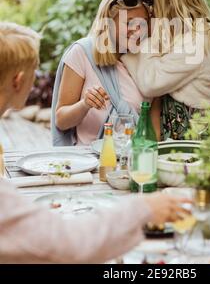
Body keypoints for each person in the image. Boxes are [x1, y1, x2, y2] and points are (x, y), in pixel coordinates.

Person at [0, 22, 190, 264]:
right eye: (34, 72)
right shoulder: (82, 53)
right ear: (18, 80)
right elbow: (68, 245)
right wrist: (145, 209)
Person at [122, 0, 210, 141]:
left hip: (192, 134)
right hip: (178, 130)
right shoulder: (181, 36)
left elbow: (150, 83)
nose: (150, 8)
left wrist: (130, 52)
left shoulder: (197, 42)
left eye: (152, 1)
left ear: (169, 3)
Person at [53, 0, 154, 145]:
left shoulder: (150, 61)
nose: (137, 30)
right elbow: (61, 120)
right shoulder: (82, 53)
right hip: (88, 165)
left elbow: (153, 131)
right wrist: (84, 104)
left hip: (132, 162)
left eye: (142, 23)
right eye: (128, 22)